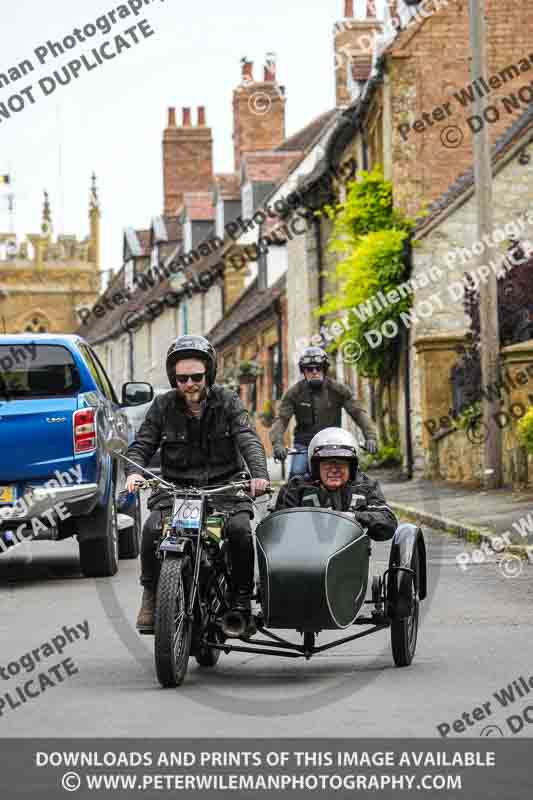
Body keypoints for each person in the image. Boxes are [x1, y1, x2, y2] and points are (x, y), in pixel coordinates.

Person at [125, 335, 270, 635]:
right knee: (152, 529)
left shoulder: (228, 401)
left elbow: (248, 438)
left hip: (225, 489)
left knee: (240, 531)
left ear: (208, 374)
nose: (189, 383)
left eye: (196, 377)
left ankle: (241, 602)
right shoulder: (163, 406)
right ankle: (152, 595)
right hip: (177, 490)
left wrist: (259, 474)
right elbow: (142, 444)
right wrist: (132, 472)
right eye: (181, 378)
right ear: (173, 378)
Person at [270, 346, 378, 478]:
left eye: (318, 368)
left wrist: (371, 437)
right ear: (304, 371)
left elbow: (358, 413)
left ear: (324, 369)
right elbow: (281, 419)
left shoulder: (338, 389)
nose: (314, 372)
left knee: (354, 476)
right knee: (296, 477)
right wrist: (277, 443)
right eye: (309, 369)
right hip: (304, 445)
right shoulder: (294, 393)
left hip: (333, 443)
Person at [275, 427, 397, 542]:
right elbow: (278, 527)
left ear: (351, 467)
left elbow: (387, 521)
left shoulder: (366, 486)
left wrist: (355, 517)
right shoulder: (296, 487)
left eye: (340, 463)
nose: (334, 470)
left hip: (350, 558)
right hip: (304, 558)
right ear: (316, 467)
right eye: (327, 463)